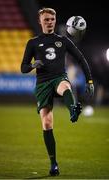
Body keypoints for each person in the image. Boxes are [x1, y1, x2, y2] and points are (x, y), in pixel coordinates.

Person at [21, 7, 94, 176]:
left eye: (52, 20)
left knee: (65, 86)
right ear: (40, 22)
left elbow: (81, 59)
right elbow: (23, 67)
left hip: (58, 77)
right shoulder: (32, 42)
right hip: (42, 84)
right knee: (47, 123)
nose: (50, 22)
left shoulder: (63, 41)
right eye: (46, 20)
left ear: (55, 21)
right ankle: (53, 163)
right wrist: (32, 65)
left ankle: (73, 111)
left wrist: (89, 80)